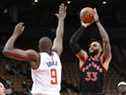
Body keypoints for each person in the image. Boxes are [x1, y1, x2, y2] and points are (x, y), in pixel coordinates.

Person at [3, 3, 66, 95]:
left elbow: (6, 51)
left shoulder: (36, 57)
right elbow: (59, 35)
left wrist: (15, 34)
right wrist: (61, 20)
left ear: (39, 47)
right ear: (52, 45)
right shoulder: (56, 53)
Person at [69, 8, 112, 95]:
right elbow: (72, 42)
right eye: (91, 45)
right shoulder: (84, 58)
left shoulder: (103, 60)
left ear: (101, 49)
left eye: (95, 45)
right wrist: (83, 26)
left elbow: (106, 40)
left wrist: (98, 22)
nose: (91, 46)